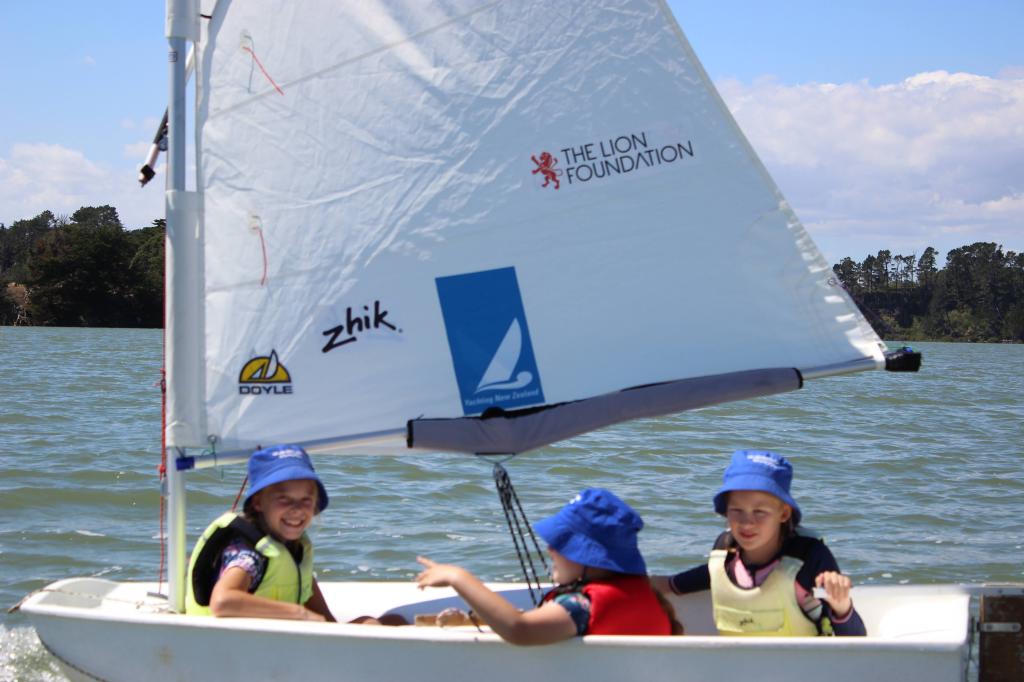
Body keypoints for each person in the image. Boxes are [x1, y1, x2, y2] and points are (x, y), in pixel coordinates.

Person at [416, 488, 680, 645]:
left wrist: (457, 576)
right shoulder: (650, 600)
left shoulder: (579, 606)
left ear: (589, 558)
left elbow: (519, 629)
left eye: (562, 544)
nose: (550, 549)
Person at [653, 450, 866, 636]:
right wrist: (646, 584)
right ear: (725, 512)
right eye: (737, 510)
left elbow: (856, 639)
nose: (747, 522)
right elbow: (696, 579)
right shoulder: (724, 557)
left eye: (760, 512)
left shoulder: (810, 558)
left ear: (784, 513)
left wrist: (841, 606)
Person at [184, 444, 335, 621]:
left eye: (306, 499)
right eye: (284, 498)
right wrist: (299, 613)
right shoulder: (249, 555)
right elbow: (223, 602)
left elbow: (328, 622)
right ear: (258, 503)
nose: (297, 509)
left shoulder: (295, 550)